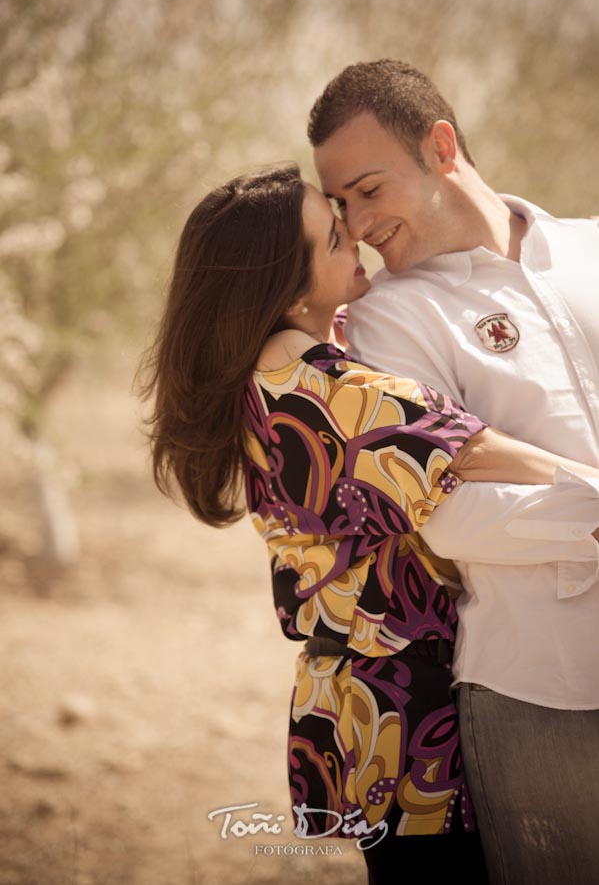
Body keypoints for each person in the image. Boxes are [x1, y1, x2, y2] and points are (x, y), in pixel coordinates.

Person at [137, 165, 599, 885]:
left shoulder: (281, 371)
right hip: (401, 709)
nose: (354, 235)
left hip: (361, 698)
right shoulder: (311, 383)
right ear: (288, 290)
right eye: (331, 236)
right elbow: (468, 448)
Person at [308, 59, 599, 885]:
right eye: (341, 206)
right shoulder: (384, 318)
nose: (357, 225)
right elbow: (442, 511)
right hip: (542, 690)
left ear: (440, 147)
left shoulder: (592, 245)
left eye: (368, 189)